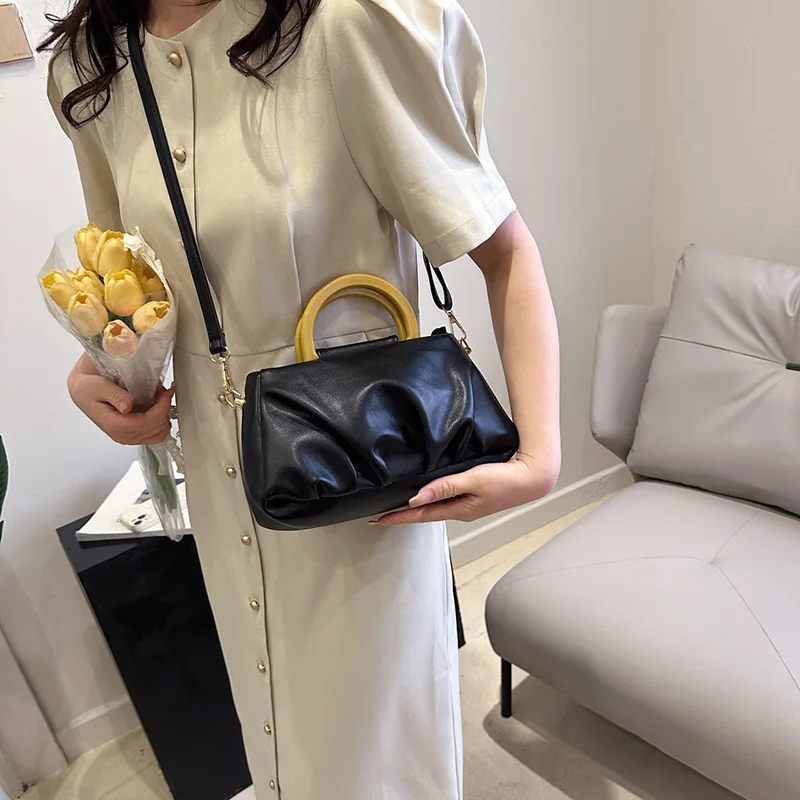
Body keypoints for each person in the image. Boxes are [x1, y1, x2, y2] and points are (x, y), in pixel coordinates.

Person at [42, 0, 560, 796]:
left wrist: (539, 457)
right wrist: (105, 372)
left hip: (364, 485)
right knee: (281, 748)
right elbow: (131, 285)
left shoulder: (347, 24)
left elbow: (505, 251)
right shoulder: (94, 66)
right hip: (224, 489)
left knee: (378, 762)